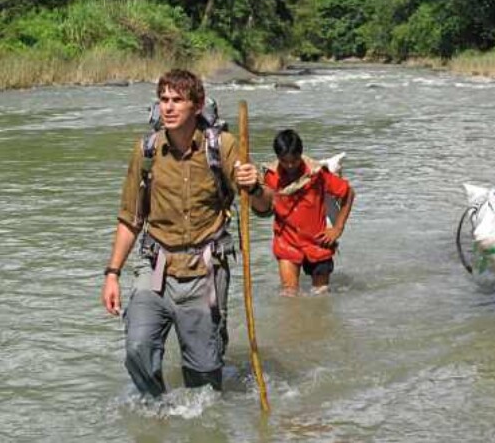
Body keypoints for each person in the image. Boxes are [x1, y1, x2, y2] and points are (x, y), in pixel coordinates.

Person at [100, 69, 271, 397]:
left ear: (198, 105)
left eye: (177, 100)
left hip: (204, 270)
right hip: (156, 265)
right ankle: (157, 412)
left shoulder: (221, 146)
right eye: (163, 100)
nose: (168, 107)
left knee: (204, 379)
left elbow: (264, 208)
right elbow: (130, 219)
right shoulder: (146, 151)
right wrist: (112, 274)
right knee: (138, 349)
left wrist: (256, 186)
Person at [255, 129, 355, 297]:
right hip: (287, 242)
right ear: (278, 158)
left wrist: (337, 228)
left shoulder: (316, 174)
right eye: (284, 161)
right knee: (289, 295)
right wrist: (252, 190)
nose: (289, 166)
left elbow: (348, 193)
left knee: (321, 297)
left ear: (300, 155)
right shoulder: (270, 177)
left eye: (293, 161)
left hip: (318, 242)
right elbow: (261, 206)